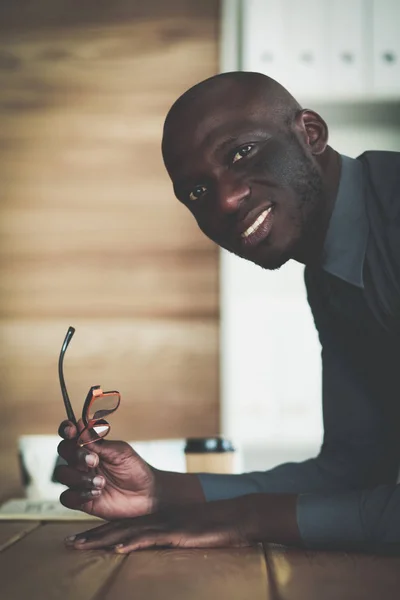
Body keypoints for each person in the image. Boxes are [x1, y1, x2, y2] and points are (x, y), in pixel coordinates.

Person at [56, 71, 400, 554]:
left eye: (242, 152)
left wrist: (248, 518)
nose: (226, 199)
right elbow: (353, 470)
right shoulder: (328, 274)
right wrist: (159, 491)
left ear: (312, 134)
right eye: (196, 192)